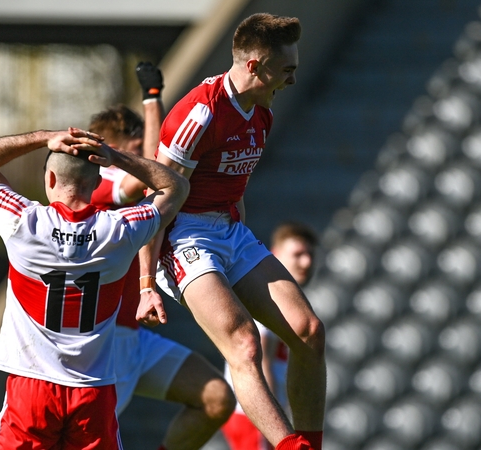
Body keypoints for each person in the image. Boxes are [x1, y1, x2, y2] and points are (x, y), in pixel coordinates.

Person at [137, 13, 326, 450]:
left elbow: (233, 189)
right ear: (257, 65)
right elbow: (158, 203)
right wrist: (146, 283)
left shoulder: (262, 109)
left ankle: (311, 444)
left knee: (309, 332)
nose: (292, 79)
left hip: (229, 229)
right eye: (288, 70)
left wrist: (241, 251)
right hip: (183, 235)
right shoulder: (200, 114)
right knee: (243, 345)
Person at [0, 127, 188, 449]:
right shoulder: (120, 231)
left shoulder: (23, 223)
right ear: (97, 184)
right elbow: (177, 187)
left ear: (50, 180)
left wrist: (44, 138)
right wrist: (116, 157)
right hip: (92, 392)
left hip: (32, 387)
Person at [90, 62, 236, 450]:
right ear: (111, 151)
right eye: (134, 151)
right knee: (97, 438)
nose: (146, 156)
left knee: (216, 398)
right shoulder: (98, 185)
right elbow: (151, 173)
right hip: (105, 338)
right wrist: (153, 100)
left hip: (134, 337)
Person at [221, 222, 318, 450]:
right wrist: (278, 420)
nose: (306, 263)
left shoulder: (285, 296)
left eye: (310, 255)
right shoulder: (268, 296)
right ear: (274, 255)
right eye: (298, 255)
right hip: (256, 416)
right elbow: (259, 357)